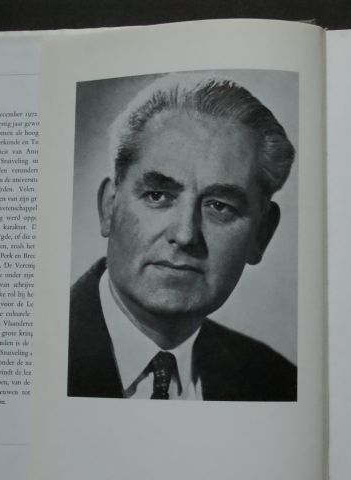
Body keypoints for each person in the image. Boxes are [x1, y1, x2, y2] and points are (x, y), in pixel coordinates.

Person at [68, 74, 297, 401]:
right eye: (158, 196)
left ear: (261, 234)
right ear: (109, 207)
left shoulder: (279, 383)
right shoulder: (37, 346)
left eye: (219, 206)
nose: (185, 234)